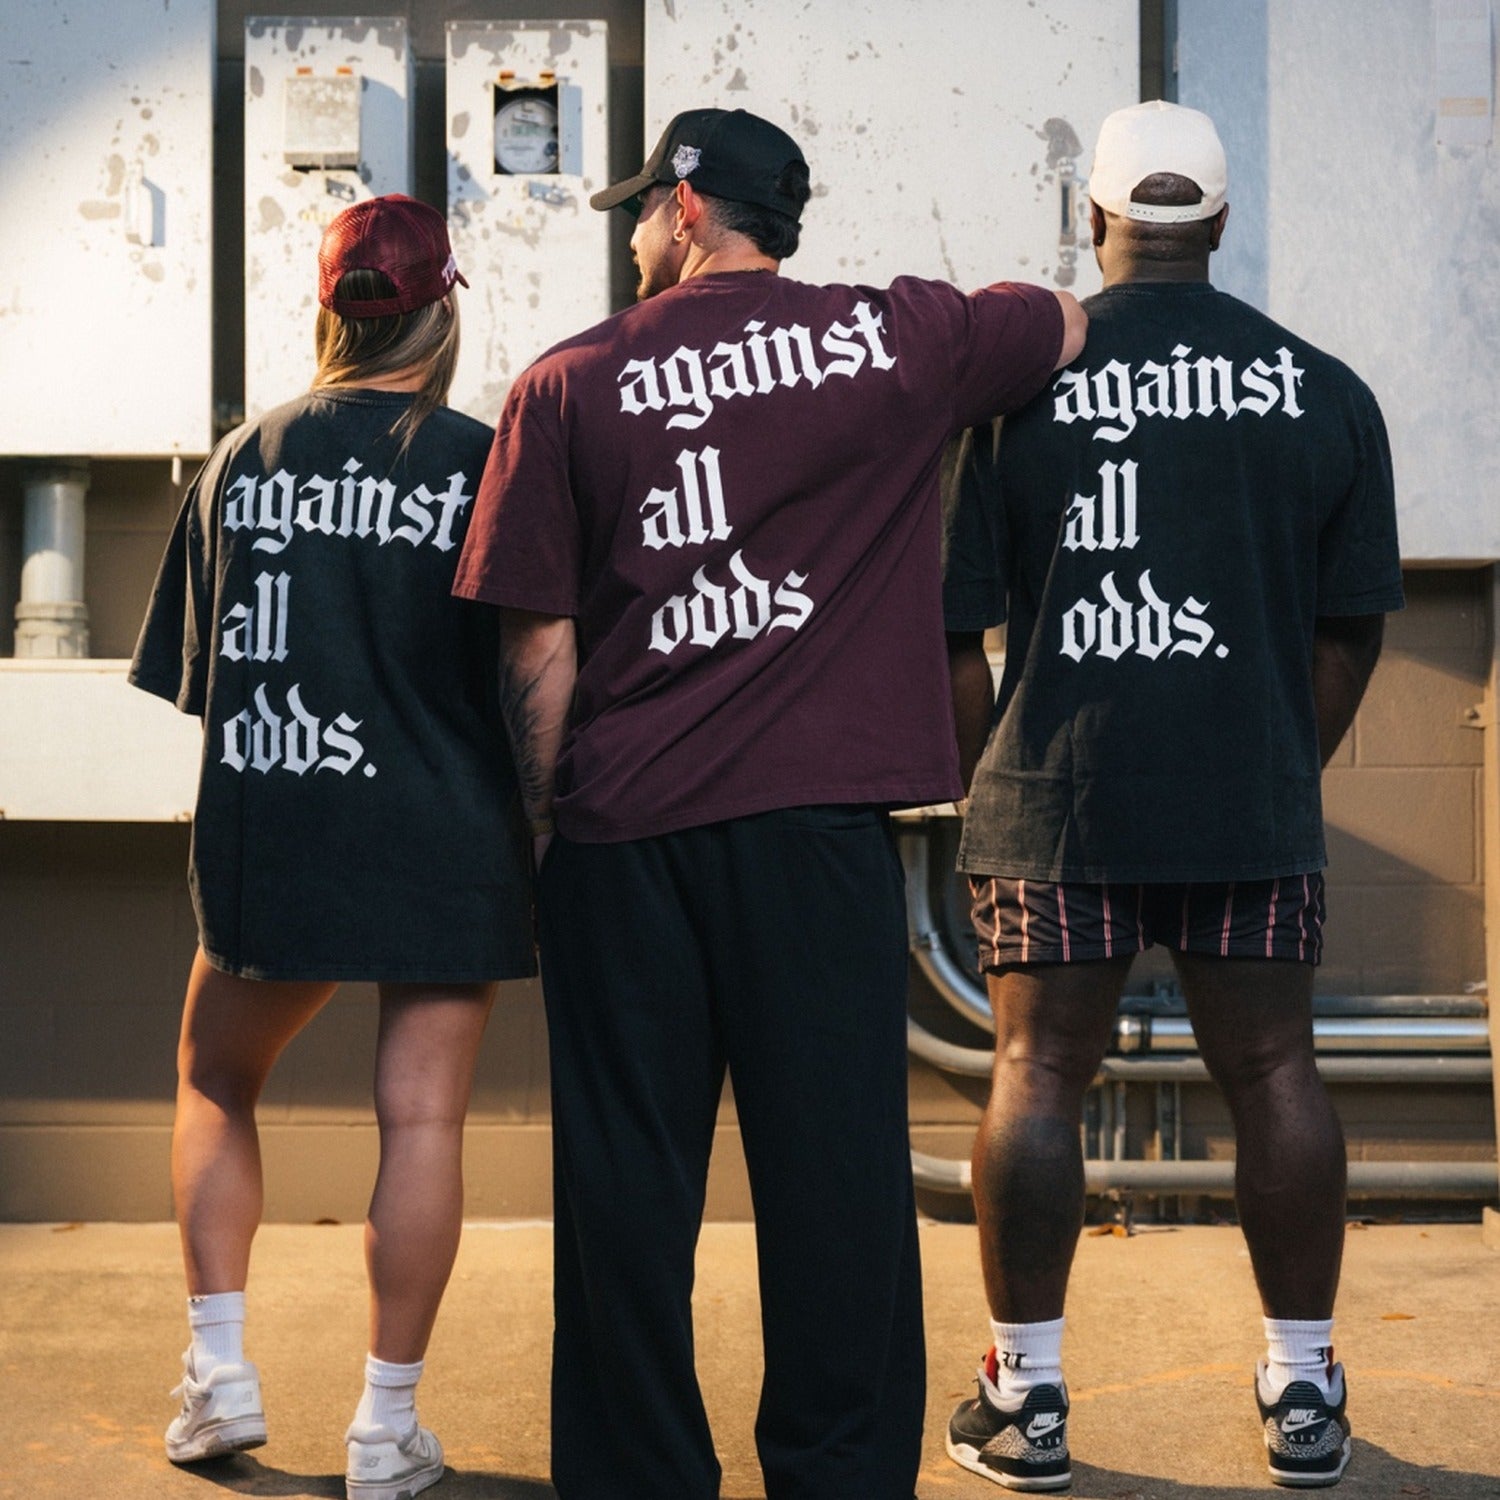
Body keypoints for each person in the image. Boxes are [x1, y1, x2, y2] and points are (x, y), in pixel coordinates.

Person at [451, 107, 1085, 1500]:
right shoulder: (900, 340)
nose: (626, 238)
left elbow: (539, 649)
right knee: (837, 1183)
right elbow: (1059, 321)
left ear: (688, 208)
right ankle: (840, 1473)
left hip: (629, 840)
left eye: (638, 209)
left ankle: (635, 1475)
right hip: (816, 840)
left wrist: (543, 833)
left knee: (628, 1187)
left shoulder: (569, 382)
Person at [941, 100, 1404, 1491]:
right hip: (1246, 795)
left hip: (1056, 797)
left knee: (1036, 1073)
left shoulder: (1014, 395)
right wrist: (1273, 757)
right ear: (1218, 224)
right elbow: (1351, 627)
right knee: (1274, 1069)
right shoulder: (1323, 391)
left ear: (1094, 221)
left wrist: (985, 781)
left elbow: (954, 632)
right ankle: (1304, 1391)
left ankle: (1026, 1404)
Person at [130, 194, 534, 1500]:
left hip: (278, 824)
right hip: (443, 834)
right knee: (420, 1117)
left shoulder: (242, 459)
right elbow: (524, 677)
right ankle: (384, 1431)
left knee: (214, 1082)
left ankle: (217, 1384)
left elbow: (212, 681)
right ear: (445, 307)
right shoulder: (485, 463)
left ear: (328, 312)